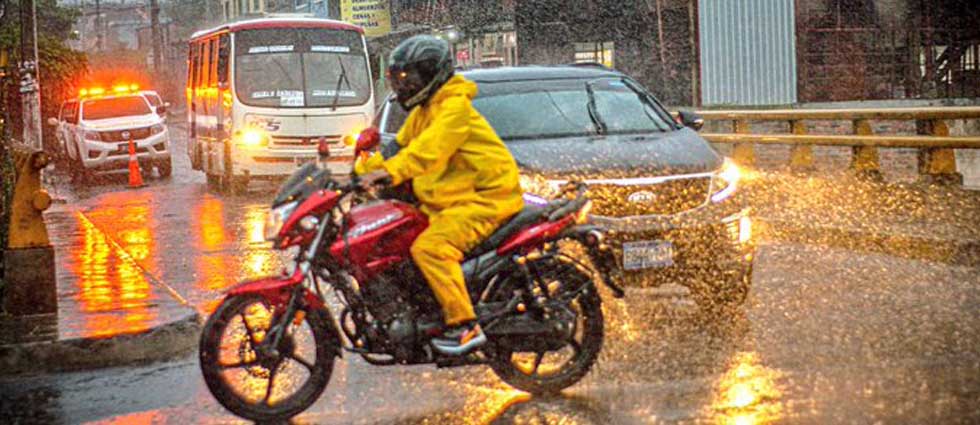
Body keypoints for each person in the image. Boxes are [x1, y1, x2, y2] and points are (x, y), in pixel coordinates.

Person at [357, 35, 524, 355]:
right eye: (399, 80)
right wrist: (355, 175)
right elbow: (398, 150)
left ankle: (465, 326)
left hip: (486, 199)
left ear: (432, 75)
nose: (404, 87)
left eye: (410, 79)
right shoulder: (424, 112)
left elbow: (427, 151)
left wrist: (388, 174)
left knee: (431, 249)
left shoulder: (453, 109)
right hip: (450, 201)